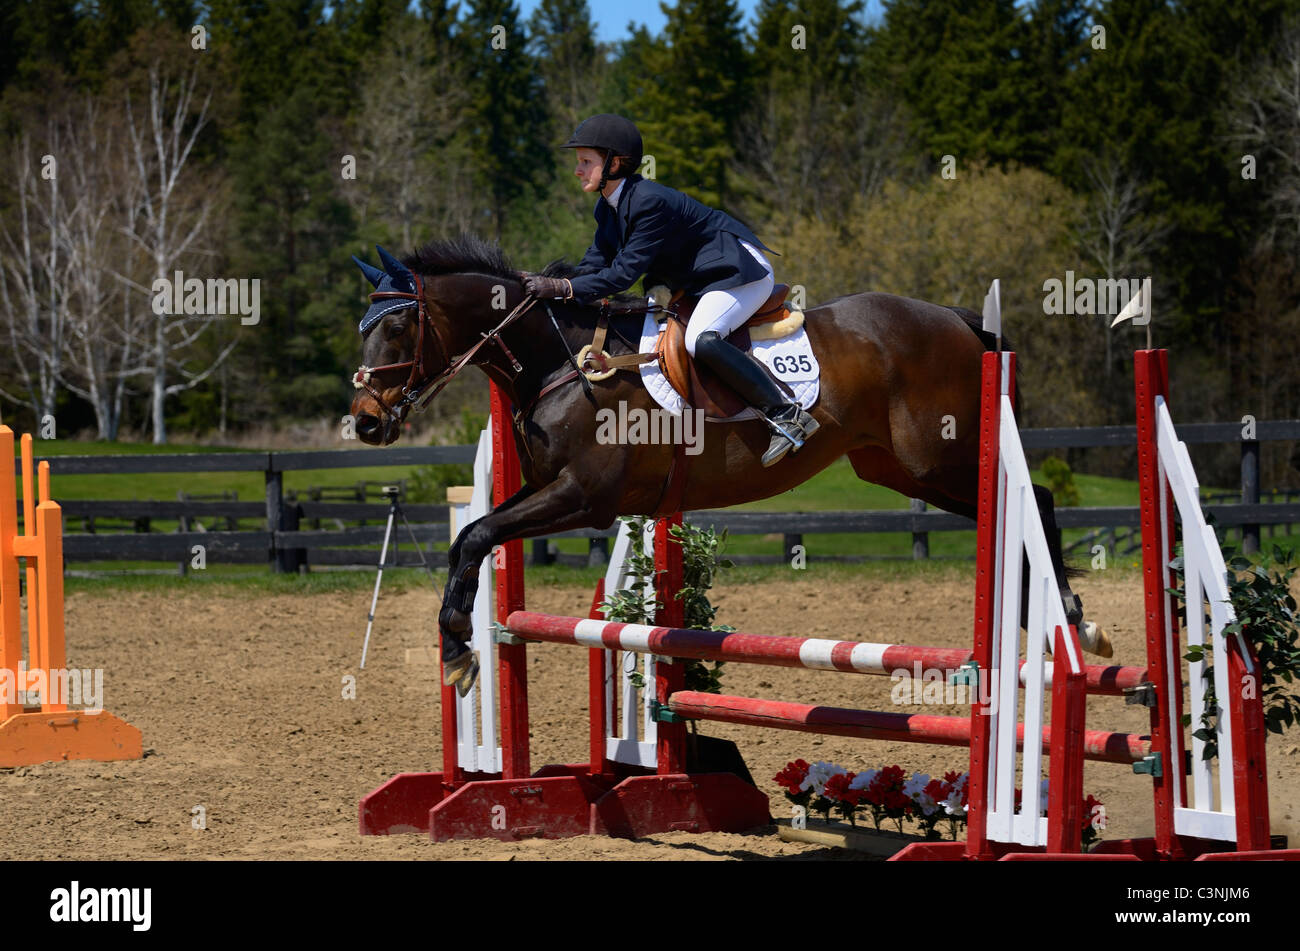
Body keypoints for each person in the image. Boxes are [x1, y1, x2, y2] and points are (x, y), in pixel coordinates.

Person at [521, 114, 819, 467]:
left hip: (737, 271)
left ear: (615, 163)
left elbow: (621, 275)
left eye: (586, 162)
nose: (578, 170)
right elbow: (595, 262)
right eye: (579, 162)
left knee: (702, 340)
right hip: (701, 279)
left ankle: (787, 415)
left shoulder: (648, 201)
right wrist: (551, 288)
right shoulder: (608, 206)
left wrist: (562, 287)